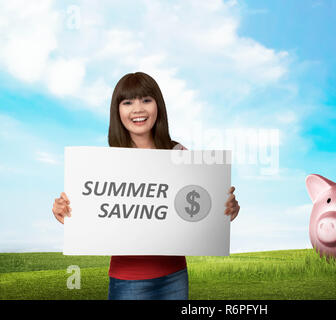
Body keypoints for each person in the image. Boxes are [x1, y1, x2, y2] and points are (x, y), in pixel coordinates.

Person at [51, 72, 240, 300]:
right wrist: (66, 212)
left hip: (175, 275)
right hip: (128, 280)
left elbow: (199, 209)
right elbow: (92, 214)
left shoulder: (179, 153)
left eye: (146, 100)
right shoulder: (105, 163)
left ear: (158, 106)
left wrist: (225, 209)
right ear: (117, 111)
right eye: (128, 102)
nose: (138, 109)